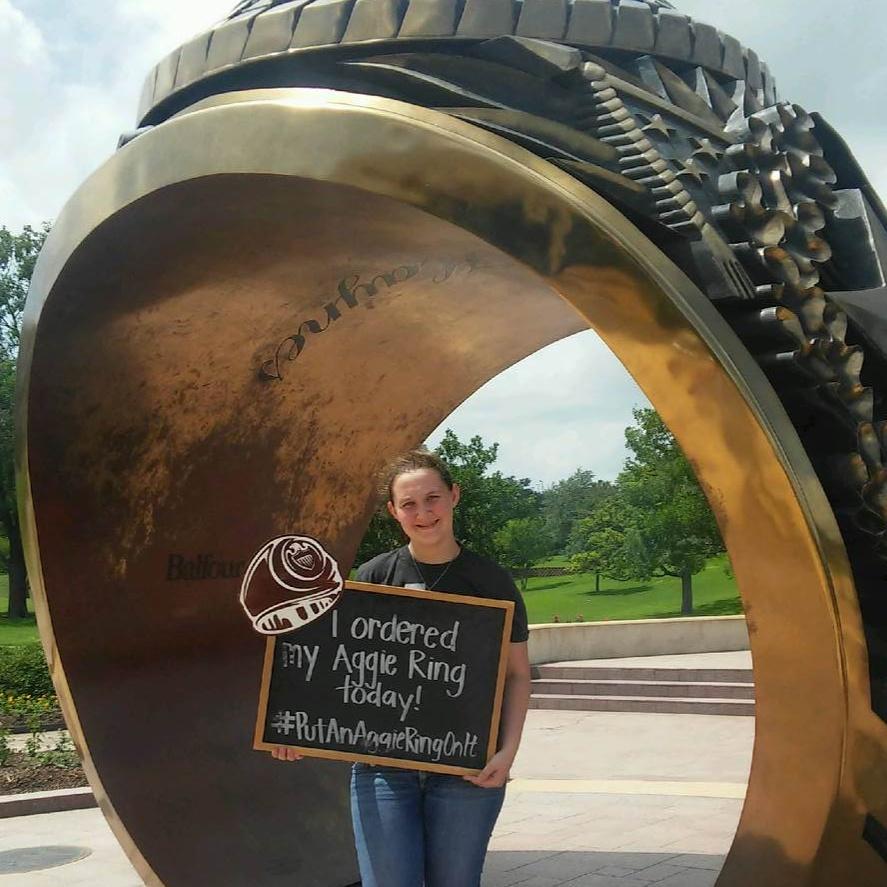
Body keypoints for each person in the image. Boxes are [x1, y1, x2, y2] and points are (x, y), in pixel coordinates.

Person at [272, 449, 531, 887]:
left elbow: (517, 674)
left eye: (432, 498)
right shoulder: (373, 577)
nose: (423, 512)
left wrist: (508, 753)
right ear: (393, 511)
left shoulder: (490, 582)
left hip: (467, 771)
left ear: (454, 496)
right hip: (382, 772)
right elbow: (342, 669)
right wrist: (293, 729)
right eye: (409, 504)